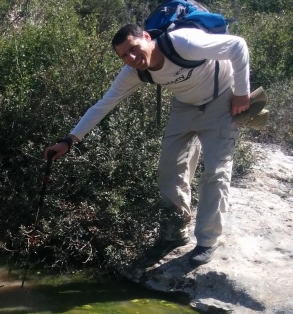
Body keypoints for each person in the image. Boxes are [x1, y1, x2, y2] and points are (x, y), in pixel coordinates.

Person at [44, 23, 251, 266]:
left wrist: (241, 92)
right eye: (124, 55)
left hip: (221, 99)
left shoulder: (182, 43)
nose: (131, 58)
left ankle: (206, 241)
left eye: (133, 48)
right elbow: (104, 104)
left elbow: (238, 45)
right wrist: (70, 140)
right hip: (184, 106)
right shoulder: (133, 71)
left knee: (215, 171)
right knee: (169, 170)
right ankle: (175, 232)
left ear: (146, 36)